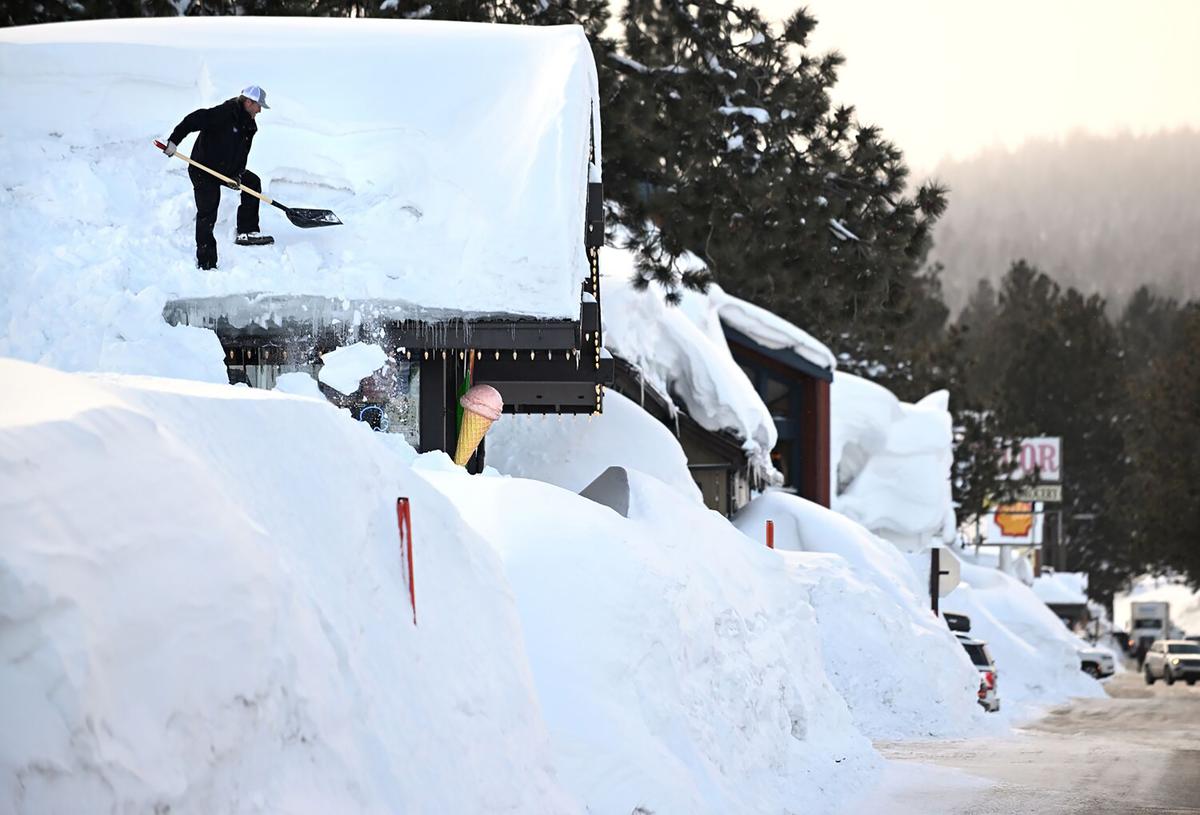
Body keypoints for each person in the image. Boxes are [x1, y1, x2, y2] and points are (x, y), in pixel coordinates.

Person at [162, 86, 274, 270]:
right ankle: (206, 262)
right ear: (248, 102)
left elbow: (241, 153)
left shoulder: (249, 125)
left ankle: (247, 231)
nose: (260, 110)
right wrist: (173, 141)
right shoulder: (223, 114)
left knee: (252, 183)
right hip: (204, 170)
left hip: (227, 171)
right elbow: (192, 120)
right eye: (258, 106)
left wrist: (237, 175)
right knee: (208, 211)